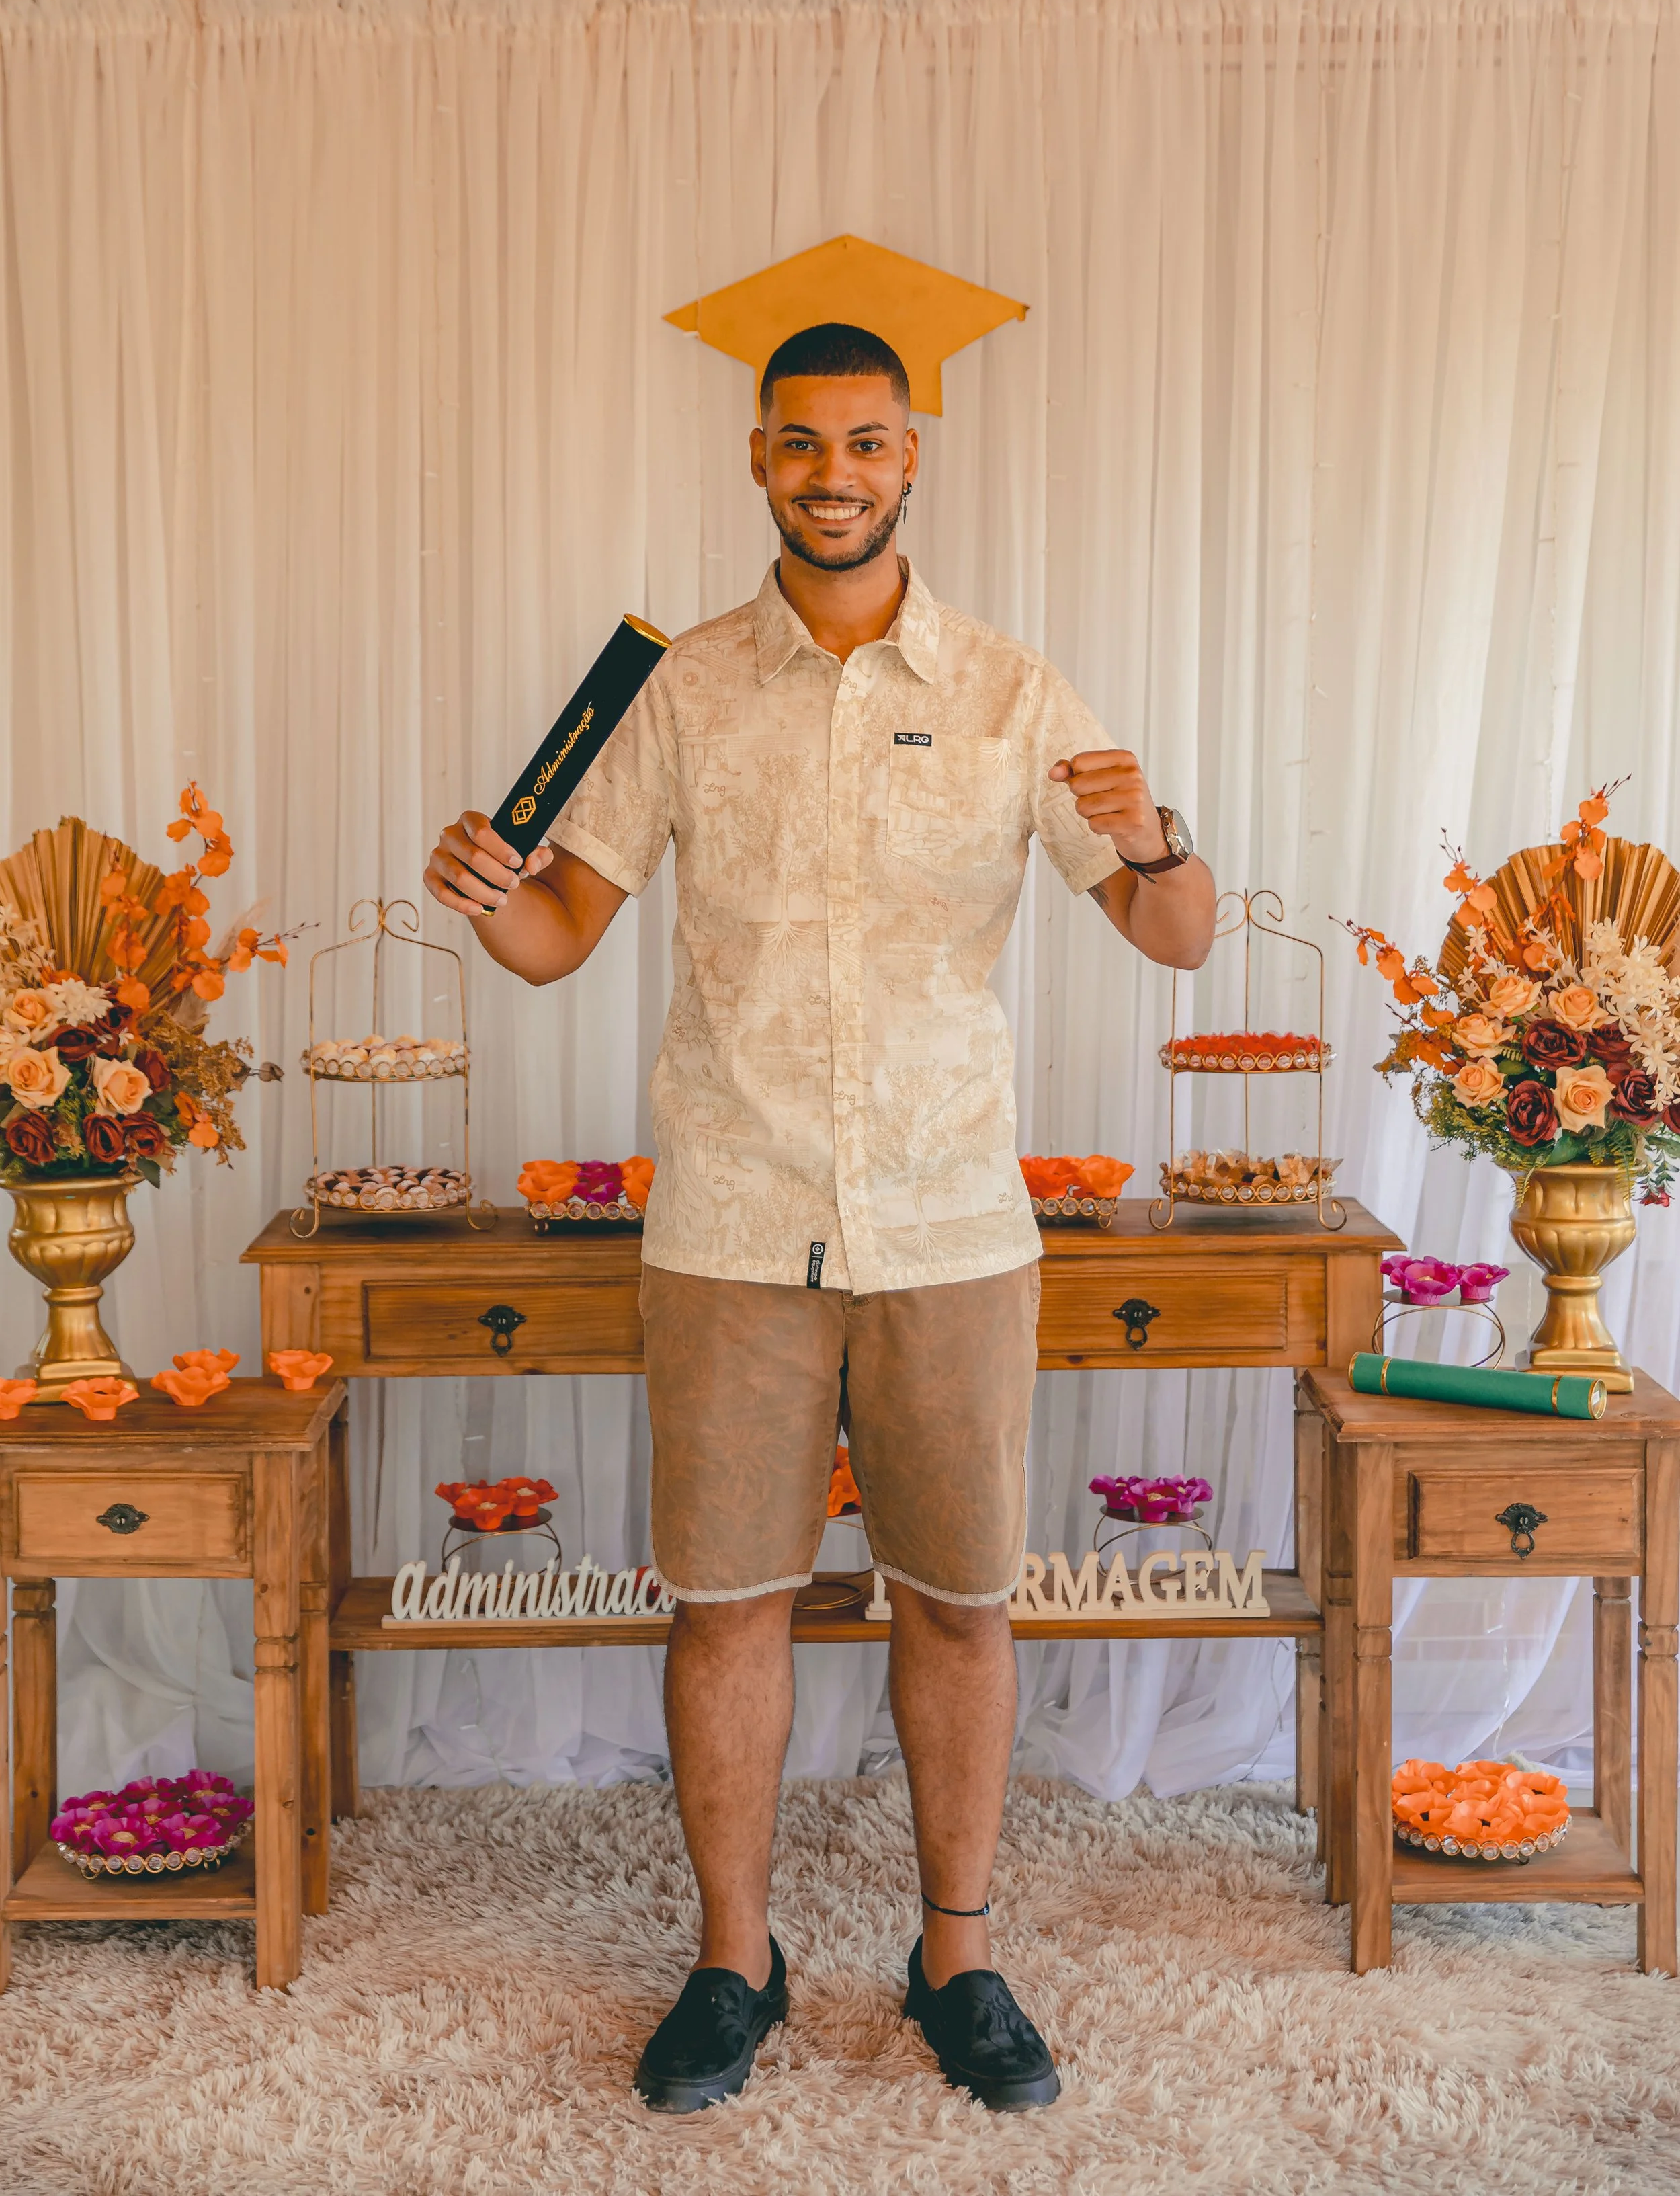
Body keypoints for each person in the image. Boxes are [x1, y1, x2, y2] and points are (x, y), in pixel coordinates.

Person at [425, 322, 1215, 2114]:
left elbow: (1171, 935)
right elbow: (558, 939)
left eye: (866, 440)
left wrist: (1159, 838)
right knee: (725, 1606)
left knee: (958, 1602)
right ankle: (735, 1955)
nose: (833, 472)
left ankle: (959, 1956)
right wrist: (489, 893)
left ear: (912, 452)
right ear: (757, 458)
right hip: (730, 1220)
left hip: (950, 1222)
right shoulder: (681, 690)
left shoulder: (1015, 689)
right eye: (801, 443)